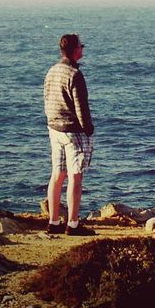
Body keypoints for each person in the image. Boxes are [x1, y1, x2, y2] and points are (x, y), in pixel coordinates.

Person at [43, 33, 95, 236]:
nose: (82, 49)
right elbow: (81, 107)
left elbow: (46, 98)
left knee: (57, 174)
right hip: (73, 132)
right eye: (81, 46)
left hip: (54, 129)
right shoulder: (74, 75)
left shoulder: (52, 71)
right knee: (75, 176)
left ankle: (53, 221)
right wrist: (88, 128)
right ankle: (72, 224)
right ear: (75, 50)